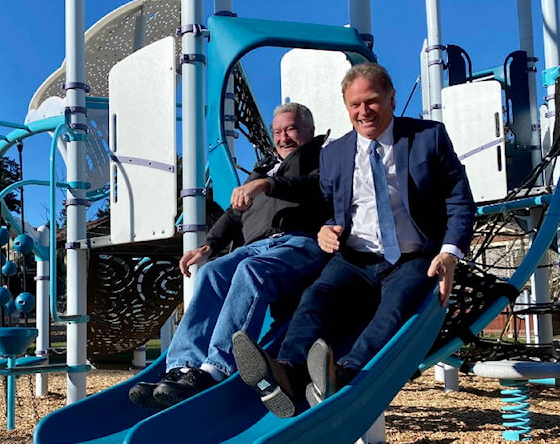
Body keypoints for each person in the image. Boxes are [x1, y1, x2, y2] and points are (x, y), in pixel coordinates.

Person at [231, 62, 475, 418]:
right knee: (316, 298)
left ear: (391, 98)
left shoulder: (428, 138)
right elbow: (326, 202)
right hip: (356, 257)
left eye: (372, 101)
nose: (364, 112)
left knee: (394, 308)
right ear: (346, 107)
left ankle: (341, 372)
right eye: (354, 105)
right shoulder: (336, 153)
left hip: (411, 256)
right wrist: (325, 227)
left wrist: (450, 252)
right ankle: (287, 371)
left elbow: (459, 199)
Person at [129, 102, 332, 409]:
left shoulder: (324, 158)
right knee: (212, 272)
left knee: (252, 270)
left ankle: (216, 369)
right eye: (277, 131)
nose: (283, 137)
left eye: (291, 129)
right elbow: (235, 215)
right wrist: (208, 245)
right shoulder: (262, 168)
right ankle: (182, 366)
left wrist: (267, 185)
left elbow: (319, 188)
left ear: (310, 130)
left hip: (299, 243)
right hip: (256, 245)